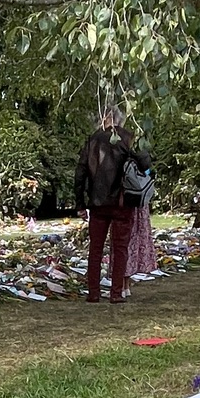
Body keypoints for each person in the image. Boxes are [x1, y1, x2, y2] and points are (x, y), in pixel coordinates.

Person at [74, 107, 151, 304]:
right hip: (122, 202)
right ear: (120, 119)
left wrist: (80, 203)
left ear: (104, 119)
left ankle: (93, 292)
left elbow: (80, 172)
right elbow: (145, 164)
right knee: (121, 248)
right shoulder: (128, 138)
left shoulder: (93, 140)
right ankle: (116, 292)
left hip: (97, 203)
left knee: (96, 249)